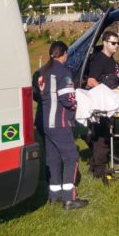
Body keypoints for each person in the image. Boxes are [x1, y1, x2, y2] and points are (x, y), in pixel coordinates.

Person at [37, 41, 89, 210]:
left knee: (52, 158)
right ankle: (69, 198)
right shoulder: (64, 72)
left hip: (44, 122)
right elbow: (68, 99)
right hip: (60, 122)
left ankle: (54, 195)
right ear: (64, 54)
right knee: (71, 157)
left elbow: (36, 94)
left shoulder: (40, 71)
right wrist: (75, 106)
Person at [86, 30, 119, 183]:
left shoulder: (112, 60)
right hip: (100, 105)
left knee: (105, 134)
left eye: (118, 43)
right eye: (113, 43)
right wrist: (106, 92)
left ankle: (94, 164)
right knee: (102, 137)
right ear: (105, 43)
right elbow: (91, 81)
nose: (116, 46)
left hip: (109, 103)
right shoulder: (99, 60)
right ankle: (99, 170)